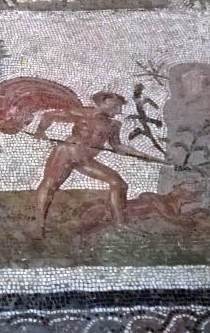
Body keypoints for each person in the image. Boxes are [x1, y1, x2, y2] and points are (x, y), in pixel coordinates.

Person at [31, 91, 163, 235]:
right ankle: (39, 225)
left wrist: (142, 155)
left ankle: (120, 223)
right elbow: (50, 115)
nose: (119, 111)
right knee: (50, 184)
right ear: (103, 102)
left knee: (118, 183)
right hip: (67, 152)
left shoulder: (113, 125)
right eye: (116, 106)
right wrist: (40, 131)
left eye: (120, 107)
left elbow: (117, 146)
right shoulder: (83, 113)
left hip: (85, 159)